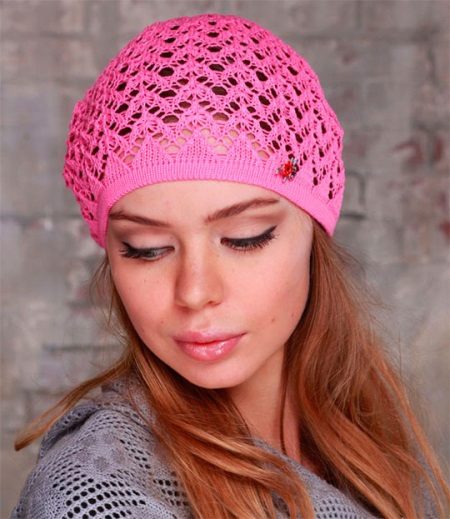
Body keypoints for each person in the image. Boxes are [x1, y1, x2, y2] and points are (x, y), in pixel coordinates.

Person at [10, 12, 449, 519]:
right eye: (146, 248)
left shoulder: (361, 431)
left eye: (245, 238)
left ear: (313, 230)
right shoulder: (94, 495)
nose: (195, 292)